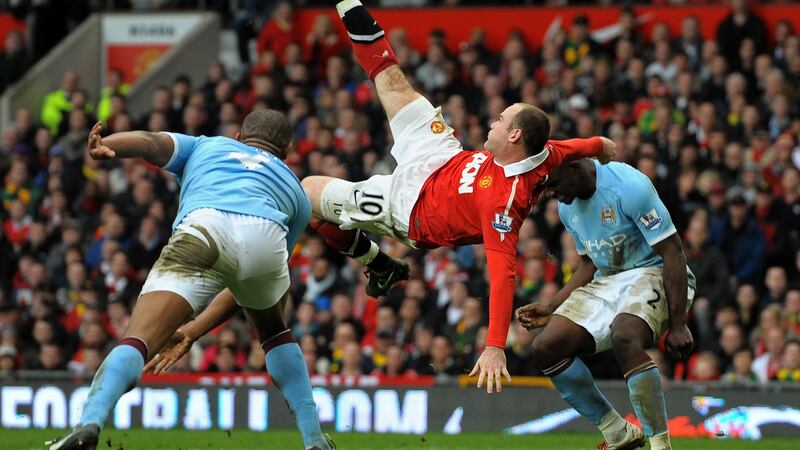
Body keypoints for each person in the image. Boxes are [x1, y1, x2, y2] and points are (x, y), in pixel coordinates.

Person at [300, 0, 616, 394]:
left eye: (500, 120)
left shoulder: (504, 203)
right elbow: (580, 145)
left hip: (409, 208)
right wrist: (601, 146)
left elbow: (503, 276)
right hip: (441, 156)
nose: (492, 120)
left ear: (514, 136)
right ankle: (349, 5)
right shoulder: (542, 151)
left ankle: (377, 263)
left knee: (305, 193)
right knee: (393, 80)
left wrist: (495, 346)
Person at [47, 111, 333, 450]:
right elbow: (245, 283)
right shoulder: (297, 195)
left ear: (239, 136)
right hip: (267, 236)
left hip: (205, 228)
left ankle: (89, 423)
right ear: (287, 148)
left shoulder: (207, 146)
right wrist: (193, 332)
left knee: (139, 339)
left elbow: (151, 143)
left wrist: (107, 145)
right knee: (274, 331)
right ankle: (315, 441)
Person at [517, 158, 696, 450]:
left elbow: (672, 251)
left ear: (574, 169)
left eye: (553, 185)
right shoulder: (566, 206)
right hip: (609, 279)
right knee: (546, 347)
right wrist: (552, 306)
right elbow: (590, 263)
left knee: (624, 334)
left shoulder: (628, 186)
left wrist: (678, 324)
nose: (551, 194)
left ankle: (660, 443)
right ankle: (616, 431)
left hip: (652, 271)